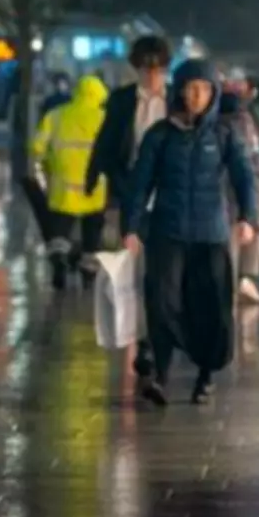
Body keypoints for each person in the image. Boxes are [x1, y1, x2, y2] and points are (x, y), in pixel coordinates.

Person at [123, 59, 257, 406]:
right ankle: (161, 376)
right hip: (167, 233)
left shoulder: (225, 134)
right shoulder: (161, 135)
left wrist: (248, 217)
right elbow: (140, 183)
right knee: (163, 303)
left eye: (204, 89)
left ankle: (205, 375)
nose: (197, 95)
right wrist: (131, 227)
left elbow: (245, 177)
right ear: (180, 90)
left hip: (210, 236)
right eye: (191, 87)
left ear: (213, 94)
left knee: (211, 307)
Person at [85, 34, 171, 381]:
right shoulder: (122, 101)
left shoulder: (177, 100)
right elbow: (106, 142)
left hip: (168, 197)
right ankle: (144, 341)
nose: (151, 76)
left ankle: (160, 338)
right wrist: (94, 177)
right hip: (131, 195)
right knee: (133, 271)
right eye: (144, 68)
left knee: (163, 273)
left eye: (157, 69)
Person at [32, 74, 109, 290]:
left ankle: (59, 262)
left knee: (60, 230)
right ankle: (88, 272)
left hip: (62, 187)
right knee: (92, 232)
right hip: (95, 188)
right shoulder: (106, 118)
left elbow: (37, 147)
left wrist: (47, 166)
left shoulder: (55, 116)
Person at [220, 71, 259, 304]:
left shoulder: (255, 111)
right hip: (236, 177)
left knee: (250, 226)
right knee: (238, 226)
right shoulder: (225, 114)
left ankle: (243, 276)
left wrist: (249, 81)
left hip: (253, 176)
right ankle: (238, 277)